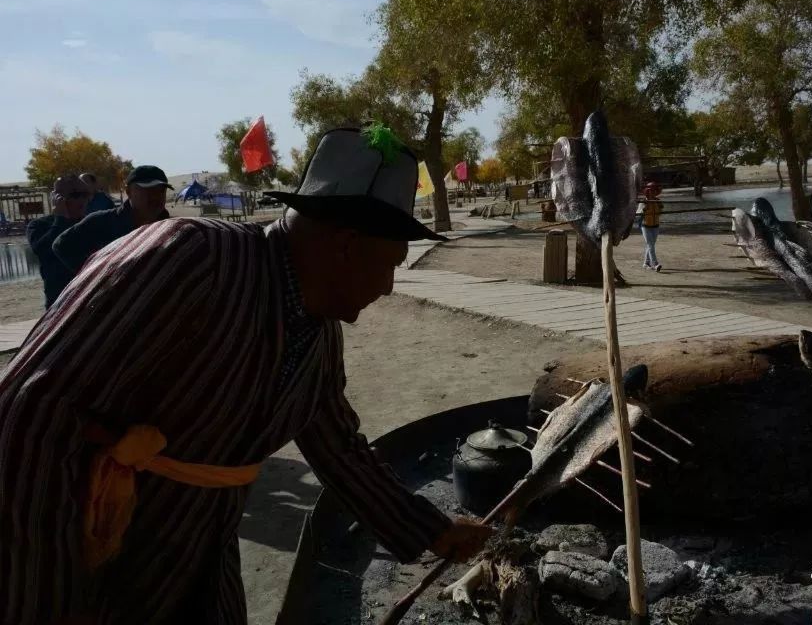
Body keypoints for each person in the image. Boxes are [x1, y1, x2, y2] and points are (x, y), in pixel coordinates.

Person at [0, 125, 490, 624]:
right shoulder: (187, 259)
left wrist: (432, 530)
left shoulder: (316, 333)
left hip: (200, 563)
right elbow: (30, 411)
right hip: (91, 558)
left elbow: (339, 450)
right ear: (346, 245)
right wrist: (44, 593)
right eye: (389, 265)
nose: (388, 287)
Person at [54, 165, 173, 274]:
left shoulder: (172, 230)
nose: (155, 196)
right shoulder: (102, 222)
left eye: (161, 190)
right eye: (148, 190)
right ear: (128, 192)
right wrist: (93, 276)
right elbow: (61, 246)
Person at [25, 174, 91, 308]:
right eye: (76, 195)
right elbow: (42, 250)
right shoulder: (40, 225)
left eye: (85, 194)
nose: (83, 200)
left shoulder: (91, 223)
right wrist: (61, 220)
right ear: (57, 198)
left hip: (90, 296)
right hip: (59, 300)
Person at [639, 181, 664, 271]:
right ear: (647, 191)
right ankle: (655, 264)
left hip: (655, 226)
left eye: (654, 191)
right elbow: (639, 213)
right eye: (651, 190)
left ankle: (646, 263)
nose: (652, 192)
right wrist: (645, 207)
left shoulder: (658, 201)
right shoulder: (643, 202)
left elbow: (661, 211)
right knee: (650, 245)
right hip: (645, 226)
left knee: (651, 245)